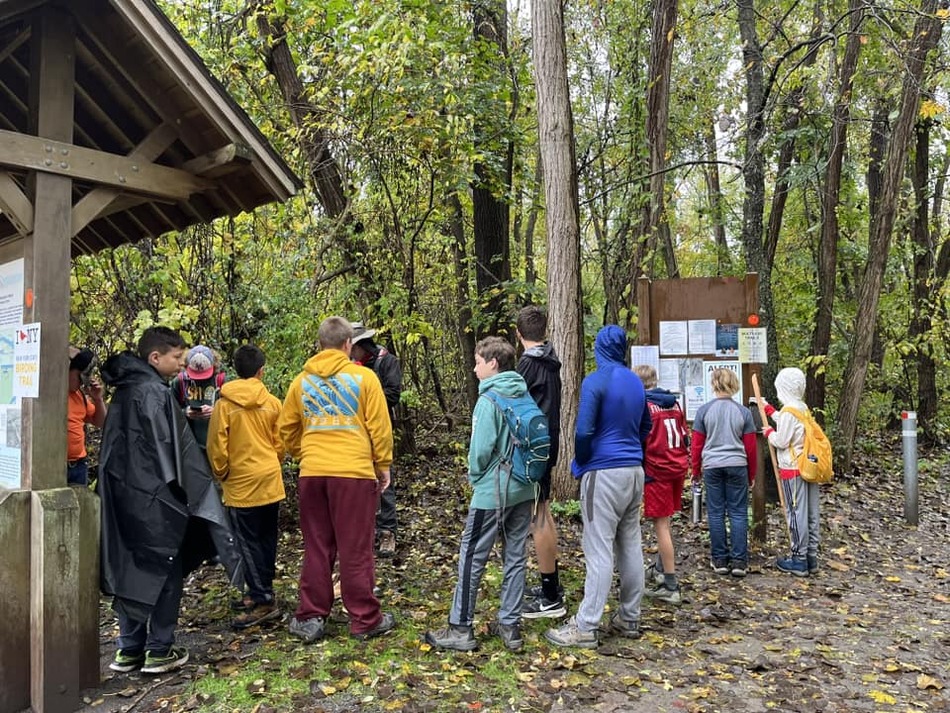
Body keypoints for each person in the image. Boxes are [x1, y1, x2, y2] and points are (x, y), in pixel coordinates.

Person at [99, 327, 241, 675]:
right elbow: (172, 454)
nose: (183, 364)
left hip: (122, 497)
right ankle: (159, 649)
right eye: (178, 357)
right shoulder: (153, 393)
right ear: (155, 357)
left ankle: (129, 648)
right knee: (165, 565)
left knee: (130, 565)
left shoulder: (124, 392)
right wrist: (190, 492)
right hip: (157, 500)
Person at [278, 317, 395, 643]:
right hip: (353, 474)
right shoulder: (364, 379)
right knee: (355, 548)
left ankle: (311, 616)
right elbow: (379, 427)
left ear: (320, 345)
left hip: (313, 474)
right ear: (347, 345)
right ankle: (365, 619)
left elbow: (286, 429)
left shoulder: (301, 383)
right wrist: (382, 463)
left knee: (317, 546)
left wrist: (306, 453)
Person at [424, 336, 537, 652]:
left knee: (472, 557)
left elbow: (480, 451)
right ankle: (510, 626)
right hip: (524, 486)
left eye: (478, 362)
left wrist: (476, 478)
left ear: (493, 364)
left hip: (493, 492)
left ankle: (460, 628)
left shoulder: (489, 401)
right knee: (515, 556)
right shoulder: (523, 394)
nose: (474, 369)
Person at [545, 325, 651, 649]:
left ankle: (586, 625)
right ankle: (630, 616)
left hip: (603, 473)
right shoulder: (635, 381)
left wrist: (581, 462)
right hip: (634, 471)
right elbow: (646, 425)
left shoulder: (595, 381)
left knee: (598, 547)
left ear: (599, 348)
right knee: (630, 543)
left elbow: (583, 431)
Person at [207, 344, 286, 628]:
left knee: (248, 543)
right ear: (261, 371)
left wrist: (223, 473)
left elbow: (217, 446)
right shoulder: (273, 403)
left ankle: (263, 599)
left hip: (242, 485)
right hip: (269, 480)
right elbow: (280, 443)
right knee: (266, 539)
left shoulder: (224, 405)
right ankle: (261, 588)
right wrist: (271, 461)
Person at [514, 306, 566, 619]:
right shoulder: (549, 359)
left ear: (518, 333)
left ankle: (550, 598)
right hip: (547, 444)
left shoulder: (528, 365)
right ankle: (551, 585)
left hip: (536, 450)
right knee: (542, 513)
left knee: (539, 518)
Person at [690, 368, 757, 577]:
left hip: (711, 466)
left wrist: (695, 470)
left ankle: (719, 559)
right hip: (738, 464)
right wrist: (751, 474)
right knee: (738, 512)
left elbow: (696, 445)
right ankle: (739, 561)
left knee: (716, 513)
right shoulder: (743, 412)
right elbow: (751, 448)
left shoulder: (704, 411)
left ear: (714, 384)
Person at [633, 364, 688, 604]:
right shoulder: (673, 403)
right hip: (677, 466)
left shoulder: (645, 407)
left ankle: (670, 583)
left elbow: (642, 438)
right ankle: (659, 568)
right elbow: (684, 433)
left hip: (658, 470)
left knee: (661, 526)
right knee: (666, 522)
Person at [349, 322, 402, 558]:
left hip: (379, 429)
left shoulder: (386, 361)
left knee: (384, 480)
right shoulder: (346, 367)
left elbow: (393, 394)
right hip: (353, 433)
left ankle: (387, 532)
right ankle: (362, 532)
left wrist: (369, 396)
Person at [761, 367, 820, 577]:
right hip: (808, 466)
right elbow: (791, 424)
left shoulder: (788, 411)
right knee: (811, 512)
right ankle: (811, 557)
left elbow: (782, 440)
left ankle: (798, 559)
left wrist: (769, 432)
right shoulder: (801, 407)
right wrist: (769, 410)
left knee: (795, 513)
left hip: (792, 468)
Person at [170, 344, 226, 452]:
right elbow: (169, 411)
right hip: (189, 446)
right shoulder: (180, 382)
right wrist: (185, 412)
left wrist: (216, 412)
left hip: (216, 445)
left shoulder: (220, 381)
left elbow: (232, 412)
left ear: (213, 366)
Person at [66, 346, 107, 486]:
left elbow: (100, 422)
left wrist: (98, 399)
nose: (81, 384)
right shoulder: (50, 395)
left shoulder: (79, 396)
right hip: (55, 465)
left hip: (78, 465)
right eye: (79, 377)